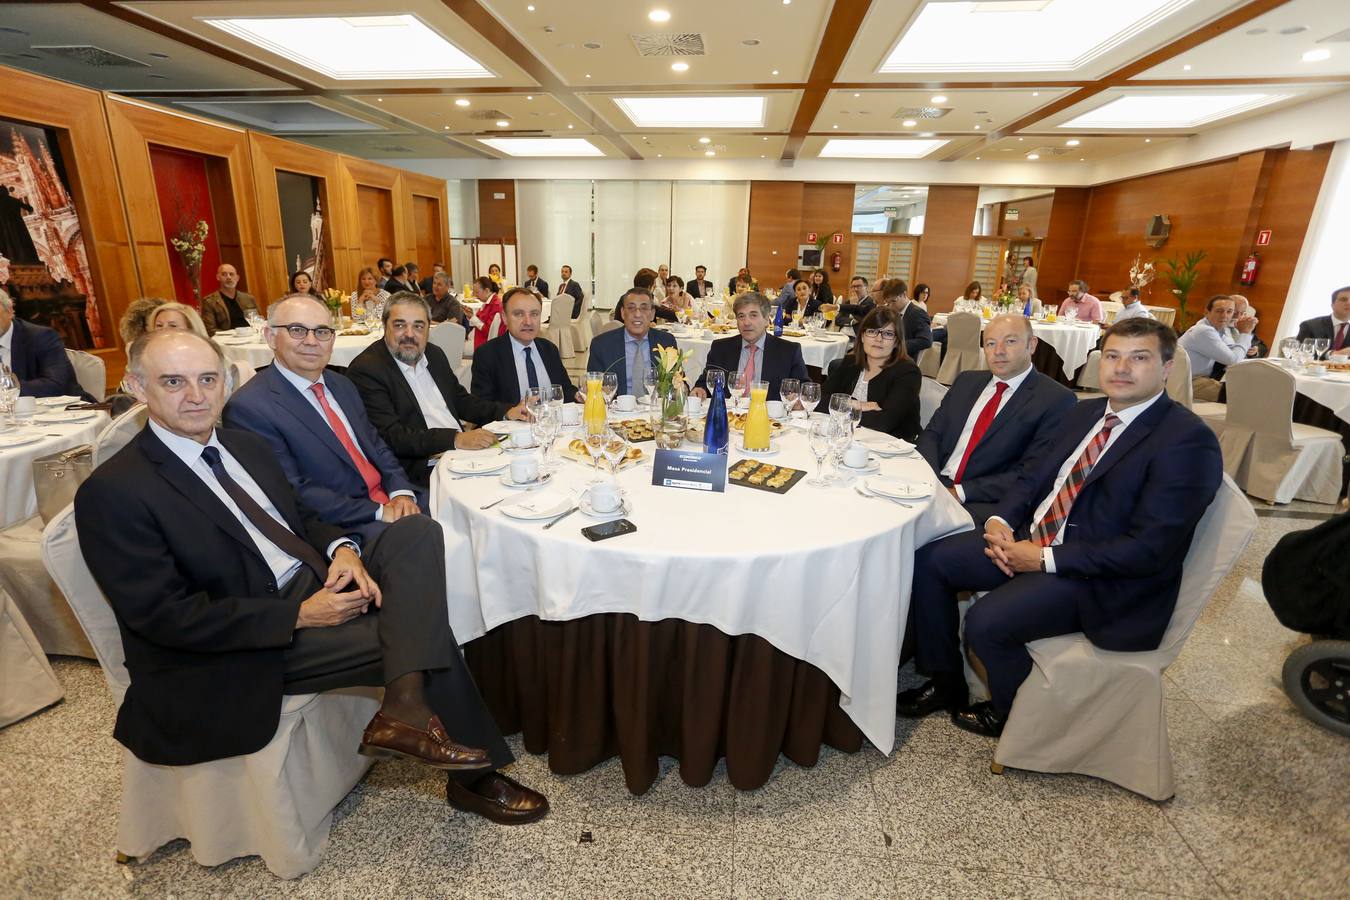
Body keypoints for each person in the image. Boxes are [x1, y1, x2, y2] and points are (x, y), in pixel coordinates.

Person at [77, 329, 547, 824]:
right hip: (237, 645)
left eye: (207, 379)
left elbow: (299, 515)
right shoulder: (115, 491)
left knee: (416, 533)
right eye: (173, 382)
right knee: (419, 633)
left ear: (226, 382)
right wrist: (297, 615)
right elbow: (162, 617)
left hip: (311, 579)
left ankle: (404, 706)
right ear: (135, 385)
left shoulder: (244, 447)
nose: (196, 396)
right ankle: (473, 778)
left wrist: (340, 547)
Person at [901, 317, 1222, 736]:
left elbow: (1148, 549)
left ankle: (1013, 716)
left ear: (1166, 367)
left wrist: (1043, 558)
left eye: (1138, 358)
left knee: (986, 623)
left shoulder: (1186, 440)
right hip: (1034, 540)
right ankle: (945, 682)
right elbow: (1032, 478)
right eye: (1112, 356)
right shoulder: (1086, 411)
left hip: (1100, 577)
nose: (1121, 368)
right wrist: (1001, 521)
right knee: (930, 561)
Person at [223, 294, 422, 545]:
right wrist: (380, 511)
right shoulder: (249, 408)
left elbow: (376, 445)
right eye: (297, 330)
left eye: (321, 332)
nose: (311, 341)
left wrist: (401, 492)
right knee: (426, 536)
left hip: (389, 499)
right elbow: (292, 492)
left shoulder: (342, 383)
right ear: (270, 337)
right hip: (342, 525)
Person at [347, 292, 527, 487]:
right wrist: (456, 439)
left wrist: (506, 411)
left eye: (418, 326)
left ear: (428, 329)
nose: (409, 334)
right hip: (424, 469)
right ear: (385, 326)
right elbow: (393, 436)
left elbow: (461, 400)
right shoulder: (367, 369)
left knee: (525, 466)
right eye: (399, 325)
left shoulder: (434, 354)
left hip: (464, 456)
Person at [917, 315, 1077, 523]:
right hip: (934, 483)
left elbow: (1033, 472)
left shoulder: (1055, 399)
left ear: (1032, 345)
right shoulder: (966, 381)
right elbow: (932, 434)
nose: (998, 351)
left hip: (983, 502)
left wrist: (959, 492)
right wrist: (932, 481)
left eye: (1010, 341)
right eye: (991, 343)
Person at [818, 307, 922, 442]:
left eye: (888, 334)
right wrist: (856, 404)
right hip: (848, 440)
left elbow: (883, 423)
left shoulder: (908, 373)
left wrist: (839, 407)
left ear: (896, 341)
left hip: (892, 447)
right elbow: (820, 400)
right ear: (862, 336)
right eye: (872, 331)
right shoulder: (851, 362)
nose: (879, 339)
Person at [471, 287, 579, 405]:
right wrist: (510, 412)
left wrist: (577, 395)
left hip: (549, 421)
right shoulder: (488, 355)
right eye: (519, 314)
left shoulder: (549, 349)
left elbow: (565, 389)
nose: (528, 322)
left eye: (534, 314)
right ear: (505, 318)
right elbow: (481, 405)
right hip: (511, 423)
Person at [691, 292, 807, 402]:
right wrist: (700, 390)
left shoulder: (788, 351)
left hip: (769, 418)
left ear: (767, 320)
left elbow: (803, 388)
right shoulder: (720, 348)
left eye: (753, 315)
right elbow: (705, 382)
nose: (746, 322)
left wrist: (799, 398)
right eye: (741, 316)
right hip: (729, 416)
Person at [586, 288, 679, 396]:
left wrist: (683, 387)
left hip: (655, 410)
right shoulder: (601, 345)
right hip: (617, 410)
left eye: (644, 308)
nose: (637, 314)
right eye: (631, 308)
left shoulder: (666, 342)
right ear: (622, 313)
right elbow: (593, 388)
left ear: (652, 314)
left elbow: (678, 380)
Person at [0, 287, 84, 397]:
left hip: (66, 410)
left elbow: (55, 385)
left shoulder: (42, 337)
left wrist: (6, 388)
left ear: (10, 311)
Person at [1178, 294, 1255, 402]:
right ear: (1206, 312)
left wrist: (1244, 336)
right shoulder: (1203, 331)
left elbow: (1231, 350)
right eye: (1219, 311)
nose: (1224, 316)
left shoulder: (1218, 330)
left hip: (1199, 379)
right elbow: (1233, 360)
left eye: (1229, 312)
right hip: (1187, 382)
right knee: (1242, 395)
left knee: (1249, 388)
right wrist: (1246, 333)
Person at [200, 263, 258, 335]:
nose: (228, 277)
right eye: (224, 274)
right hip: (227, 341)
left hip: (251, 337)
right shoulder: (209, 301)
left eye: (231, 274)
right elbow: (210, 330)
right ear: (218, 277)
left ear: (237, 278)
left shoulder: (249, 298)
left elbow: (258, 322)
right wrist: (233, 334)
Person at [882, 279, 933, 360]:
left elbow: (926, 340)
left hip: (905, 359)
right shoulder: (897, 311)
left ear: (904, 294)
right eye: (888, 303)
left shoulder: (917, 313)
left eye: (893, 301)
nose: (890, 306)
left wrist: (896, 345)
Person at [1295, 285, 1350, 356]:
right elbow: (1300, 352)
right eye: (1343, 299)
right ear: (1332, 305)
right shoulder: (1310, 325)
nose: (1349, 303)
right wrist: (1332, 354)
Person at [468, 276, 503, 351]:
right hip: (480, 341)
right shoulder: (488, 302)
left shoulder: (496, 305)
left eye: (477, 292)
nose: (474, 295)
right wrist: (471, 315)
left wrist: (472, 317)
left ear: (486, 291)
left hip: (486, 345)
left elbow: (489, 331)